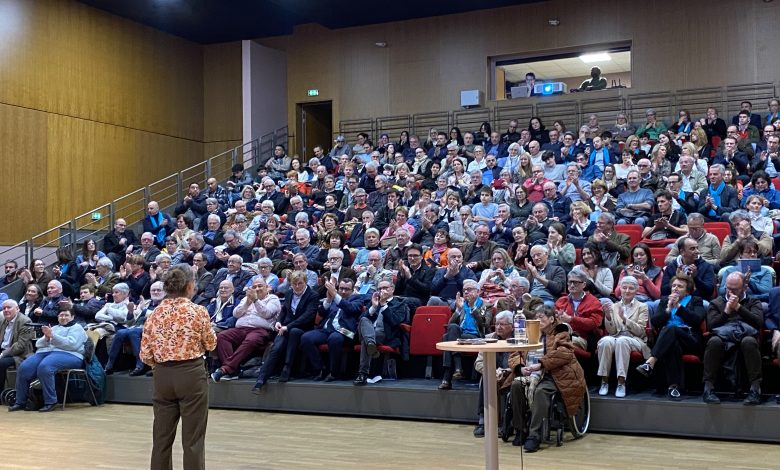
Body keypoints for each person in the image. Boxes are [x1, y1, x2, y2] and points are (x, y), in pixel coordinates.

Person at [139, 264, 216, 470]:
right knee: (193, 439)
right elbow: (211, 344)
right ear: (190, 286)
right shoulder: (198, 311)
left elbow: (145, 355)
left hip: (162, 376)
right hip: (191, 374)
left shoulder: (154, 314)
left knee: (161, 439)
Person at [517, 306, 586, 453]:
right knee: (516, 384)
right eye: (536, 317)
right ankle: (519, 429)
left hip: (557, 373)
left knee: (541, 391)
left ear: (551, 319)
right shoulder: (531, 332)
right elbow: (516, 352)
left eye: (541, 317)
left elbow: (565, 353)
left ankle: (533, 435)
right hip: (532, 372)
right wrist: (519, 367)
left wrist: (541, 364)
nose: (538, 320)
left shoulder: (560, 332)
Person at [635, 274, 705, 401]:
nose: (675, 289)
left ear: (688, 289)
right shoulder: (664, 300)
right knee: (673, 345)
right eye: (673, 286)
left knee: (670, 329)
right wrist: (668, 309)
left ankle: (650, 362)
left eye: (680, 286)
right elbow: (655, 322)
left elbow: (696, 320)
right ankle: (674, 387)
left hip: (689, 339)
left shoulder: (696, 300)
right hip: (669, 341)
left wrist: (678, 306)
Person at [8, 305, 87, 413]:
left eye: (66, 315)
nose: (63, 317)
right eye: (61, 315)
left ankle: (50, 401)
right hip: (47, 352)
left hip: (71, 354)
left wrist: (52, 337)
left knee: (45, 366)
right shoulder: (54, 328)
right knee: (24, 367)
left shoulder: (77, 328)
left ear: (72, 317)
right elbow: (39, 344)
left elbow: (72, 345)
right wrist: (46, 337)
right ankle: (20, 401)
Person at [702, 272, 763, 405]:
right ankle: (708, 388)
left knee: (749, 341)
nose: (730, 292)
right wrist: (726, 312)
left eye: (734, 289)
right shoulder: (716, 303)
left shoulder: (753, 301)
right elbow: (711, 326)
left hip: (746, 335)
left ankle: (755, 389)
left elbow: (758, 322)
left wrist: (739, 308)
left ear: (744, 288)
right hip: (723, 336)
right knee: (713, 341)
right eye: (728, 288)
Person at [252, 271, 319, 391]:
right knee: (276, 347)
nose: (297, 286)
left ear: (305, 282)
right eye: (294, 284)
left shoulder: (313, 295)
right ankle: (261, 380)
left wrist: (288, 327)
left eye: (300, 284)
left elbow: (308, 316)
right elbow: (284, 311)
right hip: (285, 327)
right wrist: (278, 321)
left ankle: (287, 368)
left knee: (294, 332)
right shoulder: (289, 293)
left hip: (303, 328)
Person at [211, 278, 281, 383]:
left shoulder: (273, 299)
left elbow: (267, 313)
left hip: (260, 330)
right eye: (254, 287)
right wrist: (247, 304)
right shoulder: (246, 299)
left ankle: (225, 369)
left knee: (251, 340)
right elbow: (236, 314)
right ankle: (232, 371)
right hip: (241, 329)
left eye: (260, 286)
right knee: (222, 336)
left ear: (267, 288)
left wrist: (256, 301)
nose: (257, 288)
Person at [596, 276, 650, 398]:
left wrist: (625, 319)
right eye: (624, 287)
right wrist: (608, 317)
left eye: (631, 288)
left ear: (636, 290)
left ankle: (621, 382)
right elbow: (612, 331)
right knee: (605, 340)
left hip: (635, 340)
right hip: (616, 336)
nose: (627, 291)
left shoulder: (642, 306)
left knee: (622, 341)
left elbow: (641, 331)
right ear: (620, 289)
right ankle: (604, 381)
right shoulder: (614, 306)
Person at [301, 278, 363, 381]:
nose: (343, 291)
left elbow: (351, 308)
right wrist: (328, 300)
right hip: (326, 329)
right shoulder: (333, 298)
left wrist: (335, 295)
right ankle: (321, 369)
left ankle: (334, 372)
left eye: (347, 289)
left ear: (352, 290)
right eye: (341, 288)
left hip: (347, 332)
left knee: (334, 338)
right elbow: (321, 313)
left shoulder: (357, 299)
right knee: (306, 338)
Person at [353, 278, 409, 386]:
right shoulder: (374, 302)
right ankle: (370, 344)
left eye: (385, 288)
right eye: (379, 288)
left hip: (385, 334)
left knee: (367, 340)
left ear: (392, 290)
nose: (382, 290)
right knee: (365, 320)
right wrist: (374, 307)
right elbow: (360, 321)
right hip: (368, 332)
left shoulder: (400, 304)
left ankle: (362, 374)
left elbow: (395, 322)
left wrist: (383, 305)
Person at [439, 279, 492, 390]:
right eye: (464, 291)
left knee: (446, 338)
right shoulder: (462, 305)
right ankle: (457, 369)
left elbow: (485, 324)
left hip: (476, 336)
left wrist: (473, 308)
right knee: (452, 328)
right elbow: (449, 325)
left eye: (469, 290)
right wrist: (458, 309)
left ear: (478, 291)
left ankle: (448, 377)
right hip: (460, 335)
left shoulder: (486, 306)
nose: (466, 292)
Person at [104, 281, 165, 376]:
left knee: (133, 332)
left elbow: (161, 318)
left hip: (155, 329)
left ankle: (141, 365)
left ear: (165, 292)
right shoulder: (146, 302)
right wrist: (130, 312)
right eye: (153, 290)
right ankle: (110, 364)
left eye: (159, 290)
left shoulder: (166, 304)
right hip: (137, 327)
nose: (156, 292)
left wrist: (144, 310)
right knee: (120, 332)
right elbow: (130, 322)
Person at [0, 299, 34, 390]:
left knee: (1, 363)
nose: (6, 310)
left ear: (17, 309)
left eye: (9, 307)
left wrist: (3, 354)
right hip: (3, 350)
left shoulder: (25, 321)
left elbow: (20, 346)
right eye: (4, 308)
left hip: (19, 354)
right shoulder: (3, 320)